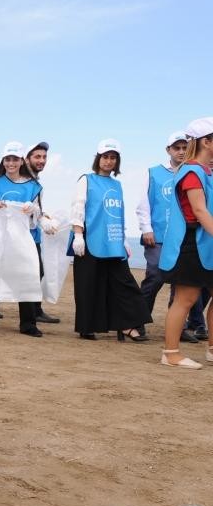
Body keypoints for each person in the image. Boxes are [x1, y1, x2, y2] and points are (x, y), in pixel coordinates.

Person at [69, 139, 151, 341]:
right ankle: (87, 327)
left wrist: (123, 239)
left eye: (113, 157)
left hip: (113, 241)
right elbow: (78, 208)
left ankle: (127, 325)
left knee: (124, 284)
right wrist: (78, 235)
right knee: (88, 285)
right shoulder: (86, 179)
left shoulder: (117, 185)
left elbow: (118, 213)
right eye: (105, 157)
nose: (108, 161)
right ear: (98, 158)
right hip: (90, 240)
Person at [137, 132, 206, 343]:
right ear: (168, 150)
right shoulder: (154, 173)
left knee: (181, 283)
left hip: (183, 237)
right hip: (157, 236)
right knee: (155, 278)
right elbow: (143, 204)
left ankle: (178, 329)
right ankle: (137, 322)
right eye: (176, 148)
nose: (181, 152)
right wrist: (146, 228)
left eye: (185, 147)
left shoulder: (191, 172)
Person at [156, 119, 213, 369]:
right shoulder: (192, 171)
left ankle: (212, 349)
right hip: (191, 242)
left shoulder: (206, 171)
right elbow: (200, 211)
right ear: (206, 142)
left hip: (206, 242)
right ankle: (170, 353)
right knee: (186, 298)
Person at [0, 142, 43, 337]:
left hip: (23, 238)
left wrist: (32, 210)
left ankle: (28, 323)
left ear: (22, 161)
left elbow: (38, 214)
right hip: (0, 237)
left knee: (28, 274)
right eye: (8, 159)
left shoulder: (34, 186)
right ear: (3, 161)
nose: (11, 163)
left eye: (15, 159)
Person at [24, 142, 61, 324]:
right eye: (37, 157)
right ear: (27, 159)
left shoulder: (36, 183)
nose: (42, 160)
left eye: (44, 157)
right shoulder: (24, 181)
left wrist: (44, 216)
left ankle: (36, 310)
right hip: (21, 236)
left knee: (37, 272)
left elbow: (36, 208)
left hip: (34, 236)